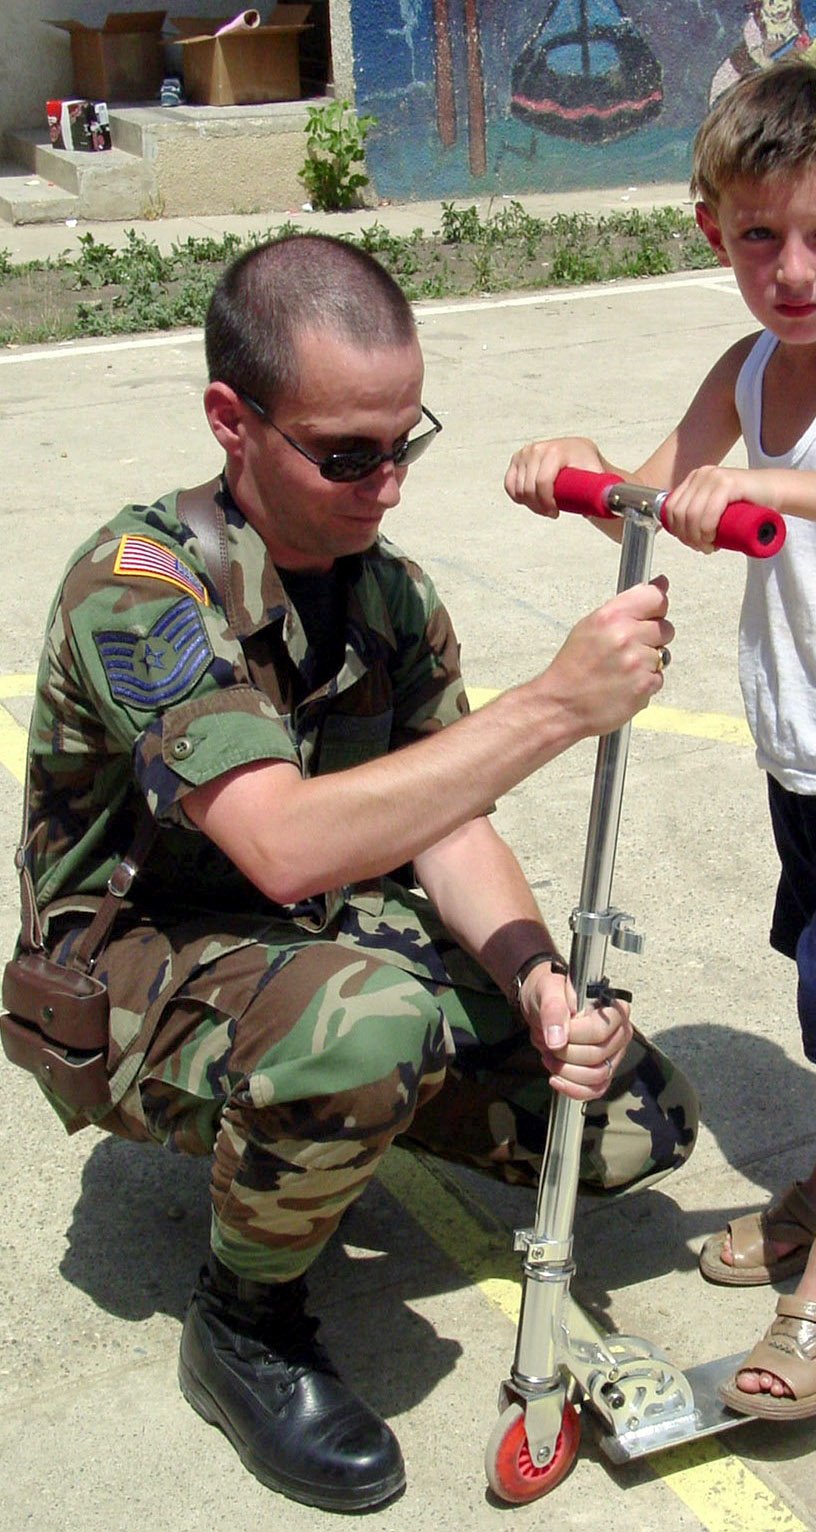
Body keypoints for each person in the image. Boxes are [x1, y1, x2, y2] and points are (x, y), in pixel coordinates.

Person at [17, 232, 698, 1510]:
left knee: (626, 1124)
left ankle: (338, 1097)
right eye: (346, 453)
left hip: (306, 928)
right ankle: (244, 1320)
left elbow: (447, 816)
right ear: (233, 419)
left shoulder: (388, 594)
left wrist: (537, 975)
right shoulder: (142, 588)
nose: (386, 484)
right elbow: (279, 839)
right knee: (370, 1024)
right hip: (134, 958)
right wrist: (558, 702)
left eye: (404, 443)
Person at [504, 59, 816, 1422]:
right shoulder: (749, 366)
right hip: (809, 754)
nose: (794, 269)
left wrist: (778, 483)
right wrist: (583, 470)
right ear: (712, 229)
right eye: (760, 235)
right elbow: (663, 497)